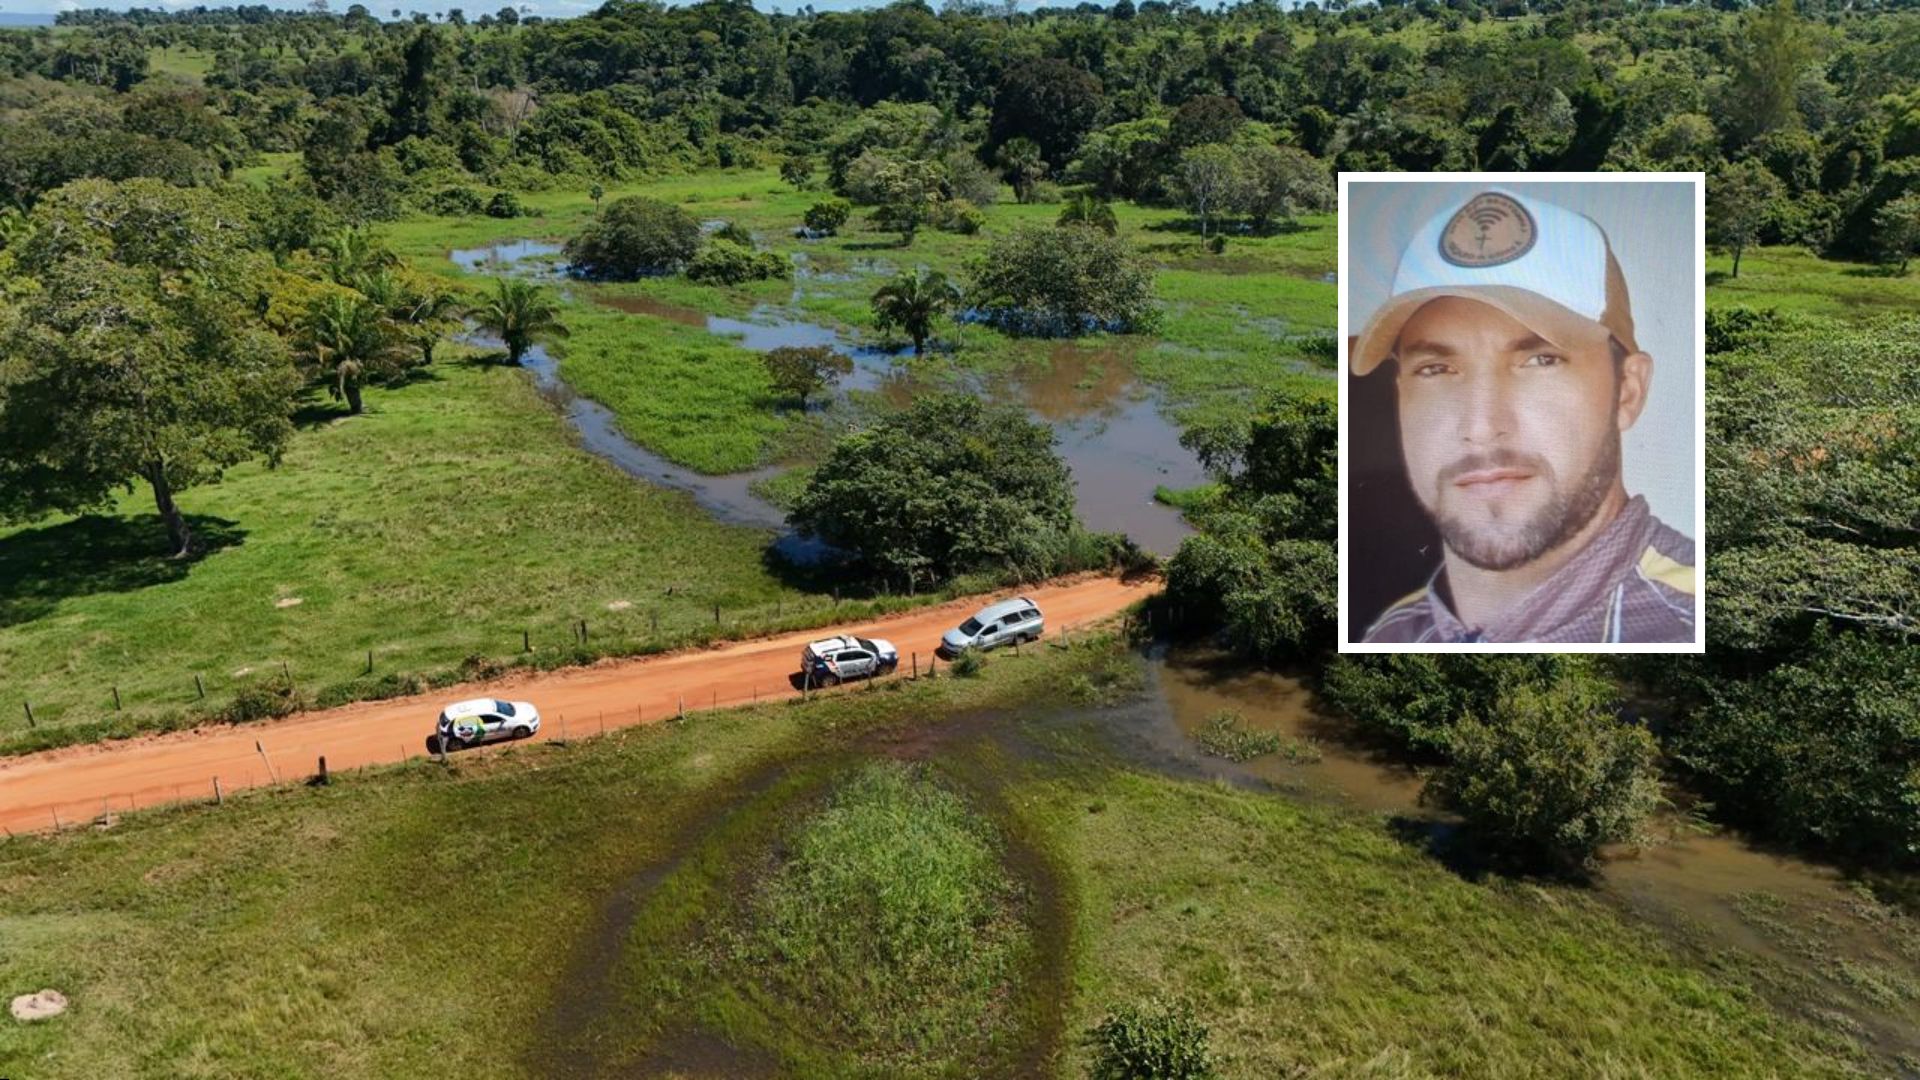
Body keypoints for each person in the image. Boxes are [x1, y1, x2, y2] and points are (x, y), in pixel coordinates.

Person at [1351, 188, 1695, 644]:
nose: (1480, 428)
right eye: (1436, 369)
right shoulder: (1388, 636)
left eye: (1540, 361)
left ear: (1627, 392)